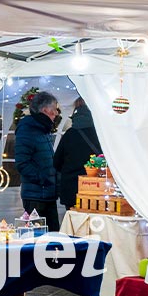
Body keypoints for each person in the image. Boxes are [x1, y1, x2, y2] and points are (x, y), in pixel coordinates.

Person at [15, 90, 62, 232]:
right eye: (54, 109)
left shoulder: (42, 129)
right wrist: (44, 178)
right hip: (35, 196)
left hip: (47, 194)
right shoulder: (28, 129)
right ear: (45, 110)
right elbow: (22, 163)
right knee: (37, 237)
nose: (56, 113)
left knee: (53, 236)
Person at [54, 97, 101, 213]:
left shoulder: (69, 135)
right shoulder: (100, 135)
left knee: (73, 220)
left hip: (71, 189)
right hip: (95, 188)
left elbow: (56, 162)